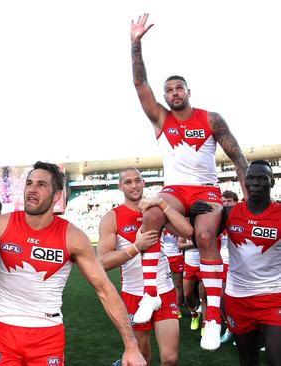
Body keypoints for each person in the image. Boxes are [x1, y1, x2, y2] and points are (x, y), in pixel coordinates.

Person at [130, 13, 249, 350]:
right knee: (150, 218)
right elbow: (140, 85)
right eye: (168, 90)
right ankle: (151, 294)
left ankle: (213, 317)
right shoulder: (161, 119)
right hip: (175, 190)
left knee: (206, 234)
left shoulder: (210, 119)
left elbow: (238, 157)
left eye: (178, 87)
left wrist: (243, 199)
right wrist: (135, 45)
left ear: (188, 91)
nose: (173, 92)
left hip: (207, 189)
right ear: (165, 97)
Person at [0, 161, 145, 365]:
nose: (32, 190)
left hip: (47, 335)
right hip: (3, 330)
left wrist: (131, 346)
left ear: (57, 195)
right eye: (29, 183)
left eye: (41, 185)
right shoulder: (0, 224)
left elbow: (105, 289)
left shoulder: (73, 237)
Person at [97, 167, 195, 365]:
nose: (134, 185)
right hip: (134, 294)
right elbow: (103, 262)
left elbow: (187, 231)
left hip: (163, 290)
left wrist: (163, 204)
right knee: (143, 358)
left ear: (144, 183)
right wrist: (135, 247)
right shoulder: (112, 218)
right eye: (128, 182)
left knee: (171, 359)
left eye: (137, 180)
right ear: (120, 186)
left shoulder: (155, 211)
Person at [217, 160, 281, 365]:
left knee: (276, 358)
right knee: (247, 358)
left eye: (262, 178)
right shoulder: (228, 213)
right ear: (244, 182)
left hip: (273, 297)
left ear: (272, 182)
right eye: (251, 178)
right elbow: (197, 237)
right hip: (238, 298)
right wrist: (194, 214)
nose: (255, 183)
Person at [219, 190, 238, 344]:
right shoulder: (219, 220)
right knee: (222, 299)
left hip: (242, 266)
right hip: (224, 264)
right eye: (223, 201)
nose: (226, 204)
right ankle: (230, 327)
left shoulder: (242, 218)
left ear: (236, 202)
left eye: (229, 201)